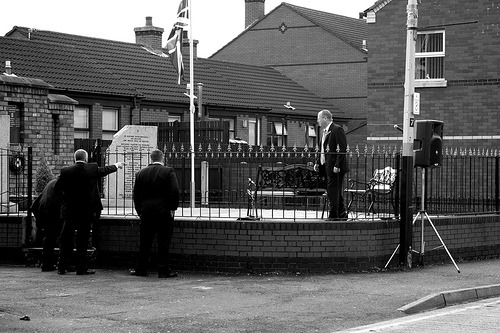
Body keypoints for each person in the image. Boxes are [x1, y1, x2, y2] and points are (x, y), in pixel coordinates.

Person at [55, 149, 123, 275]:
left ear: (74, 158)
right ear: (86, 159)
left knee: (66, 239)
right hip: (86, 211)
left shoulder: (65, 171)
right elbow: (104, 170)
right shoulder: (92, 168)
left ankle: (62, 267)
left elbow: (57, 189)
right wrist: (116, 166)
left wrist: (64, 201)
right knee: (83, 240)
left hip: (69, 211)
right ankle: (81, 268)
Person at [130, 149, 180, 278]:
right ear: (162, 158)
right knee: (163, 242)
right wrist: (173, 207)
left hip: (146, 212)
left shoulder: (141, 173)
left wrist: (139, 210)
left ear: (151, 159)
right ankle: (163, 270)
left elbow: (136, 195)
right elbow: (174, 191)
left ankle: (142, 269)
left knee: (145, 241)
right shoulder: (168, 171)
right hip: (164, 212)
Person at [314, 109, 349, 221]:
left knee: (333, 191)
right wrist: (317, 162)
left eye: (318, 118)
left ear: (325, 118)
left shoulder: (337, 129)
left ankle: (334, 215)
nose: (317, 121)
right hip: (326, 167)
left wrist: (337, 165)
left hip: (335, 168)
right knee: (334, 191)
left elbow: (342, 148)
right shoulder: (324, 131)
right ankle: (342, 213)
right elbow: (321, 149)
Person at [31, 178, 62, 272]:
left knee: (49, 239)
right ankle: (61, 264)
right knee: (61, 238)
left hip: (45, 213)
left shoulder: (51, 183)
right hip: (54, 214)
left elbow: (35, 205)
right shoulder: (61, 185)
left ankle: (47, 264)